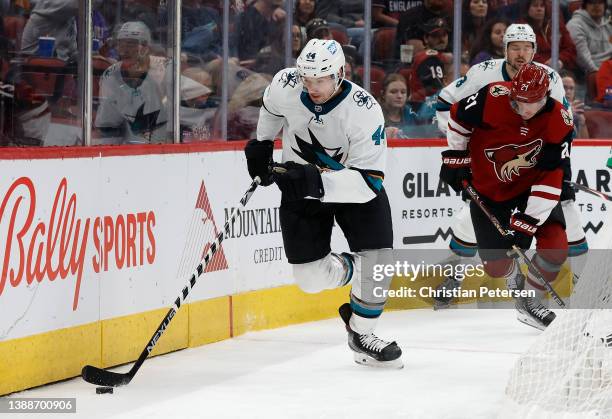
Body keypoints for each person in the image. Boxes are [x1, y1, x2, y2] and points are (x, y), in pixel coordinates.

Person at [244, 38, 402, 368]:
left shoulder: (363, 109)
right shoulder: (286, 83)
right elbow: (271, 110)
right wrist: (261, 145)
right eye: (307, 79)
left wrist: (316, 180)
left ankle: (363, 333)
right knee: (310, 280)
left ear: (340, 74)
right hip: (301, 192)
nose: (312, 87)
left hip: (352, 190)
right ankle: (354, 269)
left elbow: (369, 181)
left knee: (378, 260)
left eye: (321, 79)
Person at [434, 23, 588, 310]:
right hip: (490, 163)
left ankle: (584, 287)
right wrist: (462, 152)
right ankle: (456, 276)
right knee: (472, 221)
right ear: (504, 49)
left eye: (527, 47)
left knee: (566, 221)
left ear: (535, 50)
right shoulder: (483, 74)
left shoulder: (550, 78)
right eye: (515, 47)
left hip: (533, 164)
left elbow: (560, 125)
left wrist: (555, 163)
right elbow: (446, 104)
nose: (521, 53)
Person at [95, 21, 171, 144]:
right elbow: (108, 125)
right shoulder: (110, 75)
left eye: (131, 44)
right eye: (121, 44)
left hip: (165, 145)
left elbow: (196, 97)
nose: (125, 50)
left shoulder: (166, 68)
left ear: (146, 47)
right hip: (127, 145)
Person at [517, 0, 577, 70]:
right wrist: (546, 64)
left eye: (542, 6)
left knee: (567, 80)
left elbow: (571, 48)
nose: (539, 9)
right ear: (527, 9)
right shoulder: (521, 29)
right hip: (535, 70)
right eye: (535, 6)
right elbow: (525, 52)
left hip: (561, 67)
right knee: (566, 81)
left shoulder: (556, 25)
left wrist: (560, 60)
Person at [566, 0, 612, 75]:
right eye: (592, 2)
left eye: (600, 2)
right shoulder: (575, 25)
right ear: (585, 6)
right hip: (586, 75)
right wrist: (598, 74)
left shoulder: (608, 23)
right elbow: (582, 59)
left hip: (608, 70)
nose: (596, 6)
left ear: (605, 5)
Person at [560, 70, 590, 138]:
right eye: (564, 87)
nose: (568, 92)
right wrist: (567, 114)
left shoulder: (577, 111)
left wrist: (582, 123)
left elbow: (586, 144)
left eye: (571, 88)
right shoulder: (548, 107)